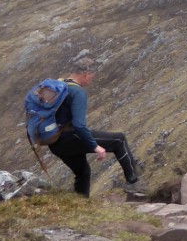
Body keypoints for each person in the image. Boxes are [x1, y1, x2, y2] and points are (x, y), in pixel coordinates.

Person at [46, 57, 143, 197]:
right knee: (119, 140)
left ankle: (82, 206)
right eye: (92, 76)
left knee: (83, 172)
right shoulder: (77, 92)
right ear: (86, 74)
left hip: (54, 143)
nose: (91, 80)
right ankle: (134, 184)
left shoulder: (59, 85)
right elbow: (79, 125)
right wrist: (95, 146)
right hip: (69, 137)